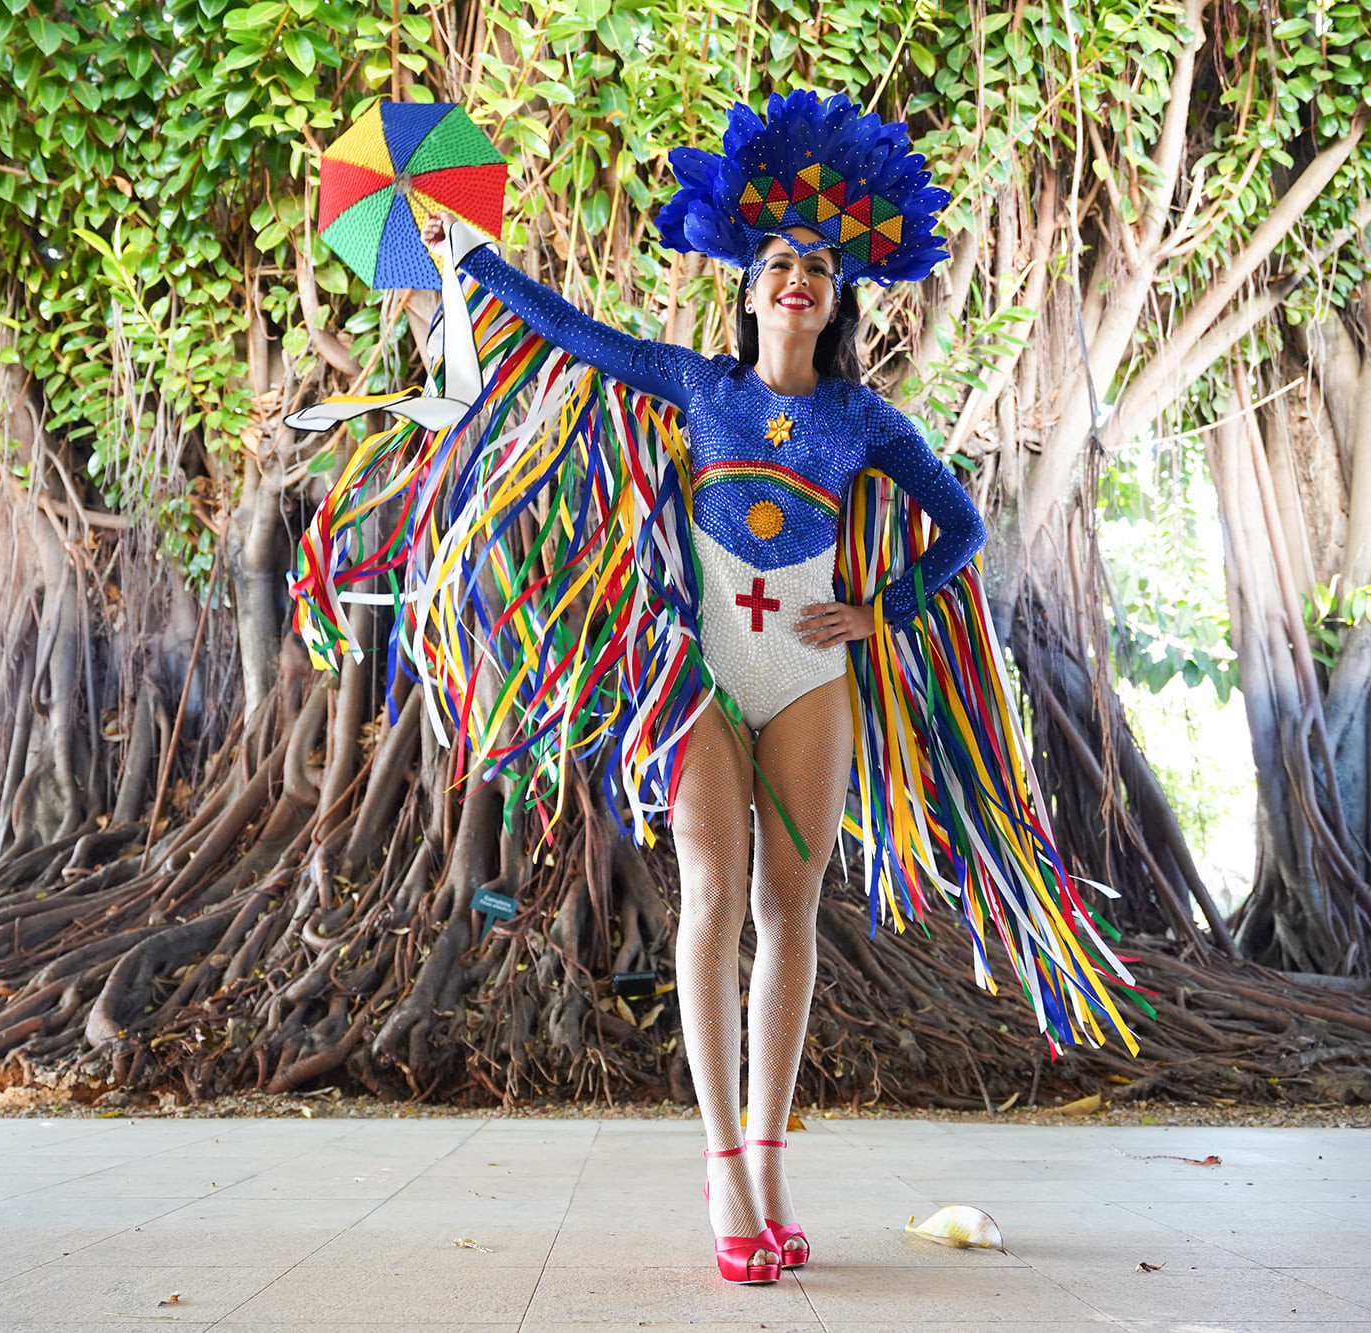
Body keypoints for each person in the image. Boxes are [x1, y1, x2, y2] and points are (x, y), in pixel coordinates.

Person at [290, 89, 1140, 1288]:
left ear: (839, 299)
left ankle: (774, 1160)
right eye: (780, 261)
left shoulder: (863, 417)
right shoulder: (696, 385)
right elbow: (574, 332)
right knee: (711, 900)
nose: (798, 279)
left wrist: (881, 607)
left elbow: (960, 531)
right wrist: (470, 255)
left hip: (806, 674)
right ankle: (721, 1165)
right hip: (700, 674)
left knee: (789, 911)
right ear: (746, 285)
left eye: (819, 268)